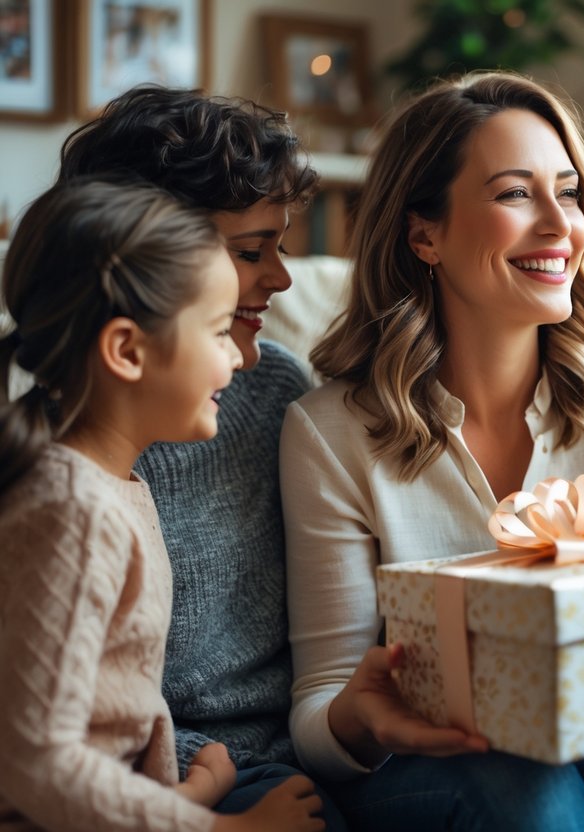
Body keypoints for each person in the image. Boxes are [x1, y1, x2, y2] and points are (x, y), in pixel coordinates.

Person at [279, 72, 584, 831]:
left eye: (570, 192)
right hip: (435, 768)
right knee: (517, 786)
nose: (561, 225)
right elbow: (320, 710)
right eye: (515, 194)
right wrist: (364, 716)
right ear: (425, 233)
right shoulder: (330, 432)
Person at [54, 86, 345, 827]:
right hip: (164, 771)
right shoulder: (66, 460)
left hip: (306, 746)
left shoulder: (279, 386)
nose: (279, 278)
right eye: (251, 252)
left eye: (282, 244)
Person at [0, 180, 322, 831]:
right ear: (126, 350)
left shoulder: (110, 488)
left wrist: (186, 795)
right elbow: (35, 760)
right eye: (213, 331)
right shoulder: (72, 510)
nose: (235, 356)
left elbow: (98, 736)